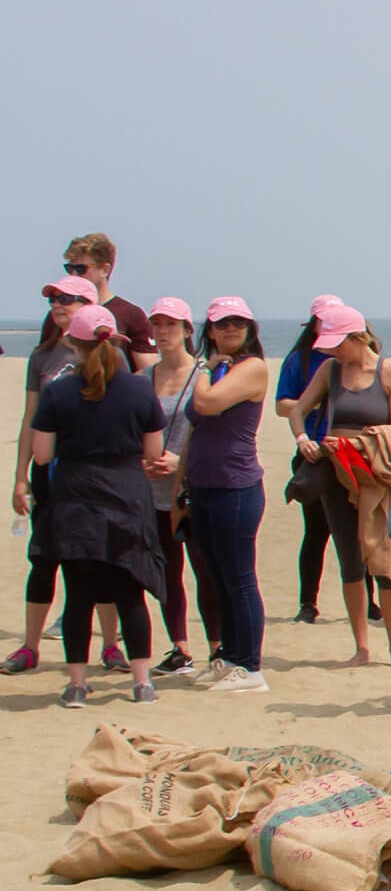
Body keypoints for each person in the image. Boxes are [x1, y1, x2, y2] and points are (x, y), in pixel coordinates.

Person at [28, 306, 166, 708]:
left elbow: (41, 455)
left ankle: (76, 684)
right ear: (116, 341)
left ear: (74, 342)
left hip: (76, 497)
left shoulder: (58, 391)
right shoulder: (140, 389)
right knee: (130, 594)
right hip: (126, 494)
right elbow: (153, 451)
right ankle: (142, 683)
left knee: (79, 596)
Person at [6, 277, 124, 675]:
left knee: (99, 561)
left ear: (89, 306)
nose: (58, 304)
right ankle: (29, 647)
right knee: (43, 561)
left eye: (68, 299)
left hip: (94, 475)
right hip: (49, 474)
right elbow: (30, 419)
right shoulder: (42, 356)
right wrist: (21, 477)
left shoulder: (112, 357)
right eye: (54, 299)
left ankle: (110, 646)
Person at [286, 304, 391, 667]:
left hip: (376, 476)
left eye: (338, 343)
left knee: (385, 562)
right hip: (337, 474)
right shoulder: (330, 370)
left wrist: (360, 442)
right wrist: (302, 440)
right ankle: (361, 648)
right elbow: (298, 410)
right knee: (350, 561)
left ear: (359, 338)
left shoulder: (390, 373)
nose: (332, 351)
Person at [184, 298, 274, 694]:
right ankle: (230, 657)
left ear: (250, 328)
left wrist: (201, 366)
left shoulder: (250, 367)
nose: (231, 329)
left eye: (238, 322)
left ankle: (251, 667)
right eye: (222, 324)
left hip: (235, 487)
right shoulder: (219, 367)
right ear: (210, 330)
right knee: (217, 576)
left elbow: (206, 402)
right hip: (203, 485)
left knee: (239, 578)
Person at [142, 297, 217, 674]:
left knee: (205, 569)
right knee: (166, 572)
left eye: (171, 325)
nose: (162, 332)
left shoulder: (202, 373)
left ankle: (217, 647)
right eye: (156, 324)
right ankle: (180, 648)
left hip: (192, 487)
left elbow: (212, 424)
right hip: (152, 490)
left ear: (188, 330)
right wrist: (143, 462)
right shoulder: (144, 379)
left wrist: (178, 460)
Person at [274, 295, 344, 625]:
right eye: (322, 320)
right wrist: (314, 402)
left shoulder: (351, 359)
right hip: (311, 453)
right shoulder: (300, 360)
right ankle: (308, 603)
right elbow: (282, 405)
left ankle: (370, 603)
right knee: (315, 532)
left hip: (346, 453)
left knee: (359, 533)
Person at [60, 233, 159, 368]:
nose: (74, 275)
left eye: (80, 269)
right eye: (69, 269)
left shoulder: (131, 315)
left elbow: (148, 371)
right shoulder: (61, 310)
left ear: (105, 269)